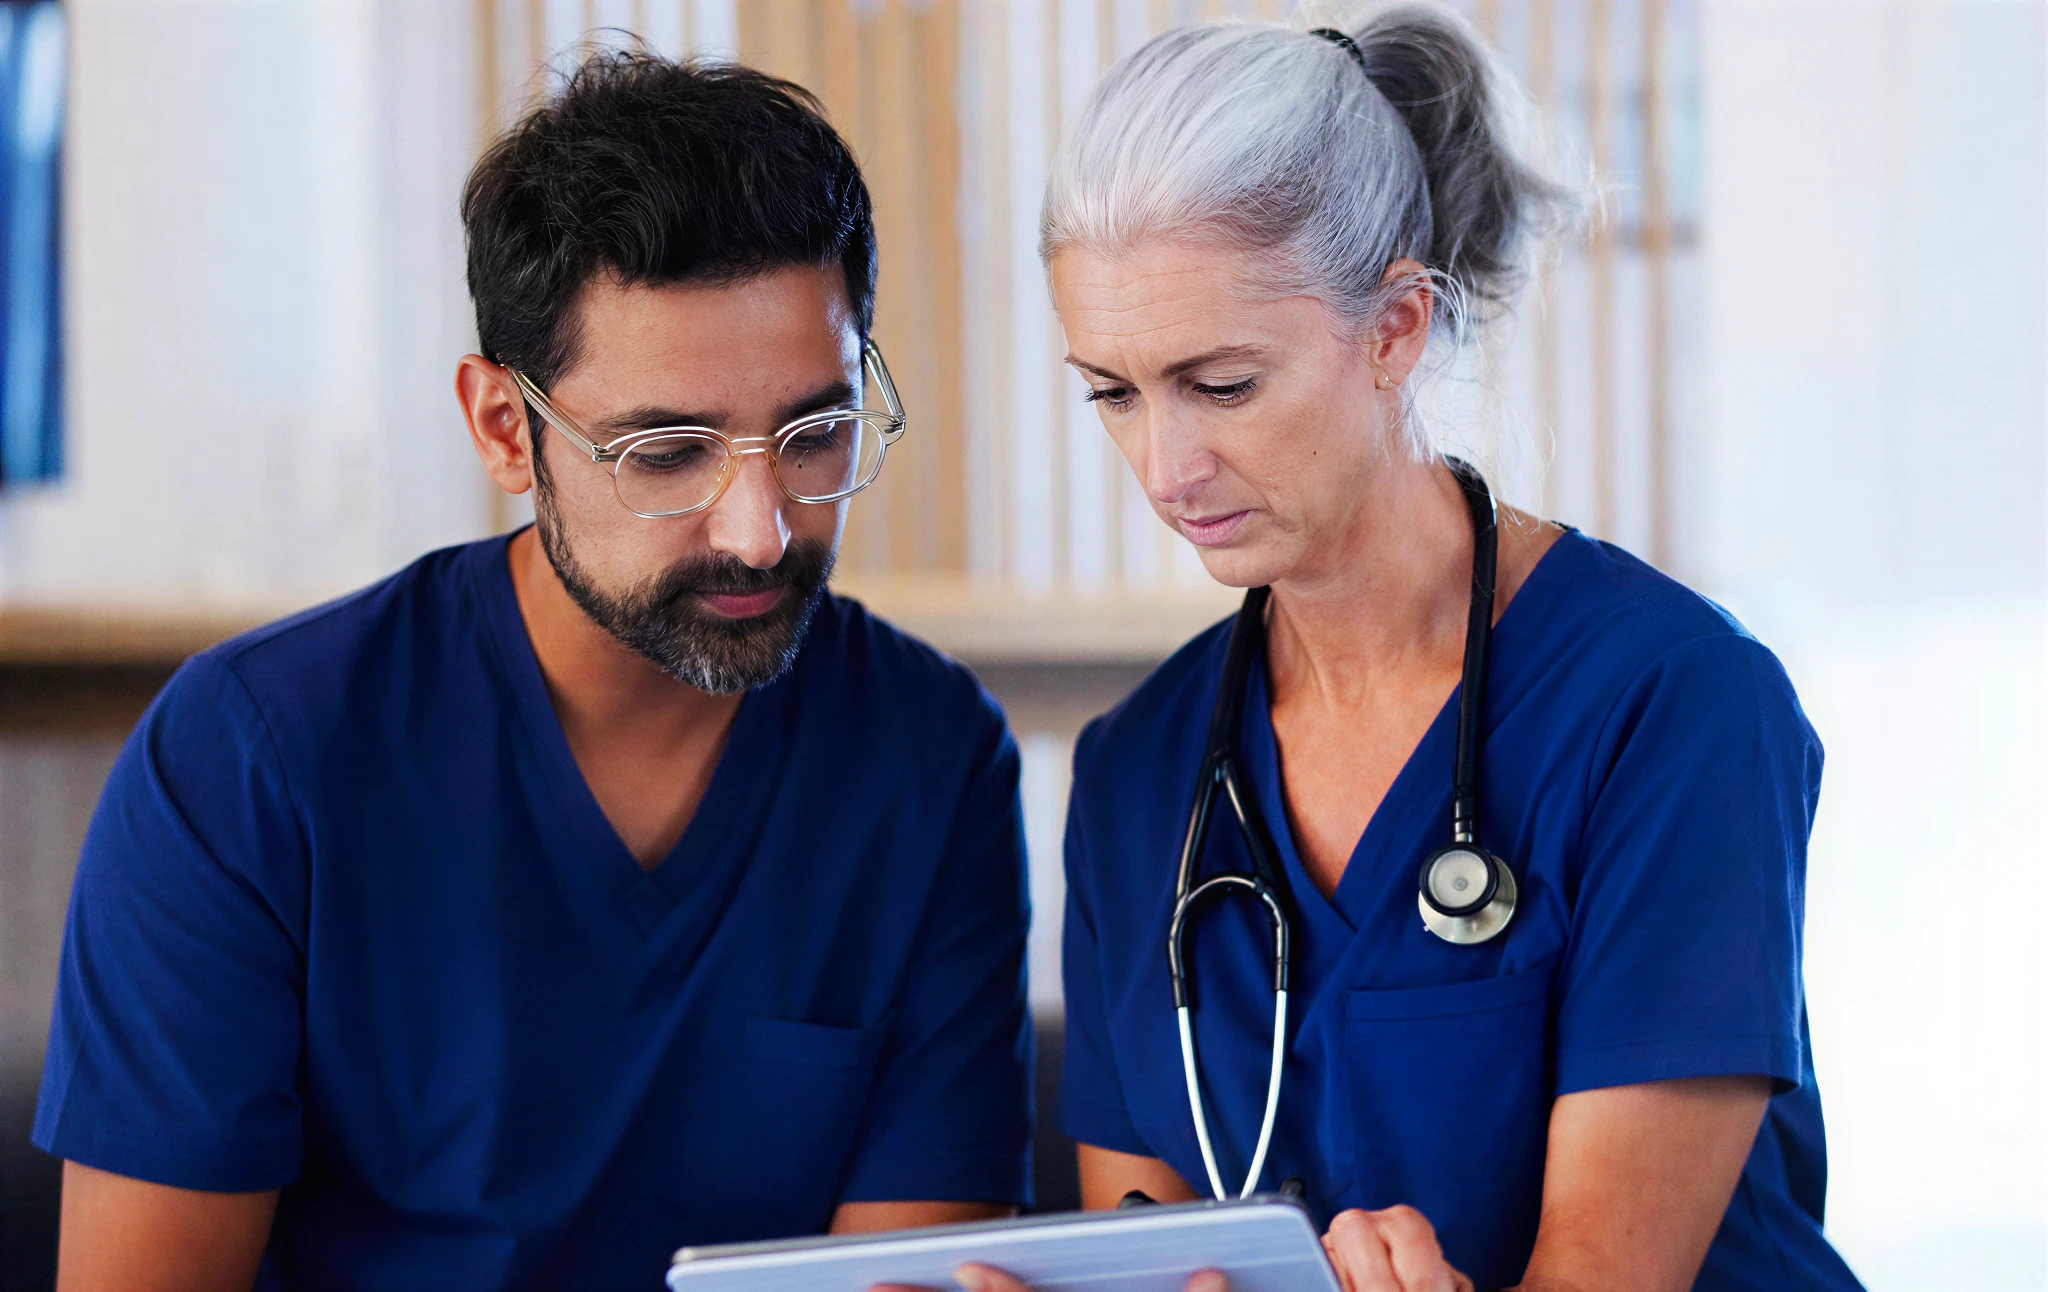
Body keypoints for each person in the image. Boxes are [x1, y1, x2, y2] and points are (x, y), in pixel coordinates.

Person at [35, 52, 1032, 1291]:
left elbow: (902, 1277)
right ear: (506, 428)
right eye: (665, 453)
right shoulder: (253, 759)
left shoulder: (928, 755)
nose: (759, 528)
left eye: (813, 434)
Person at [946, 8, 1862, 1292]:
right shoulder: (1138, 770)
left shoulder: (1670, 707)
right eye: (1111, 390)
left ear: (1392, 327)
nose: (1164, 467)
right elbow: (1150, 1251)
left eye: (1220, 385)